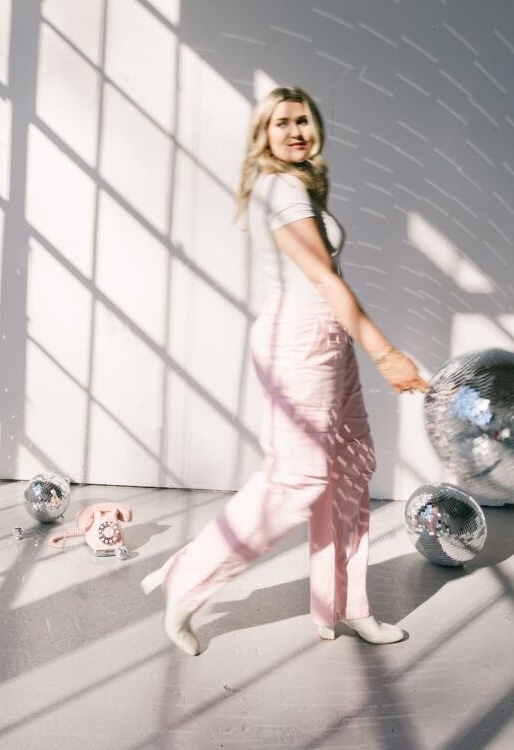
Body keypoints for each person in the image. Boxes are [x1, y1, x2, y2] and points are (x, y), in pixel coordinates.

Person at [141, 86, 428, 655]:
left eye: (303, 120)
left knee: (348, 470)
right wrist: (386, 353)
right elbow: (325, 281)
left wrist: (356, 344)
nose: (295, 130)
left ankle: (345, 607)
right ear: (264, 135)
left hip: (328, 338)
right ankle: (188, 579)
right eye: (281, 123)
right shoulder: (282, 188)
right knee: (297, 481)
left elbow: (329, 286)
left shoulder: (299, 186)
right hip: (300, 341)